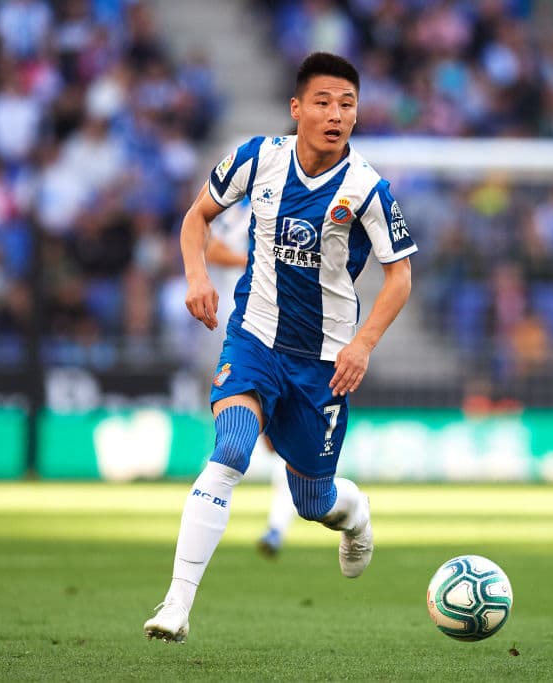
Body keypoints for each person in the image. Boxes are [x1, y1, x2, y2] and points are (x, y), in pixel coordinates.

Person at [143, 52, 417, 643]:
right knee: (232, 449)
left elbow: (400, 276)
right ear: (297, 108)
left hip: (323, 363)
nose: (335, 114)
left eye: (347, 104)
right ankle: (176, 605)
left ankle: (356, 515)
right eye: (323, 102)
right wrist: (196, 276)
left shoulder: (367, 188)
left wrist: (364, 344)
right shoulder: (257, 158)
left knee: (313, 501)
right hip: (255, 339)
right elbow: (197, 218)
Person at [204, 196, 297, 558]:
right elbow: (212, 248)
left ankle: (276, 526)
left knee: (281, 440)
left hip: (290, 335)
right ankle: (211, 512)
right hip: (244, 334)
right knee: (249, 435)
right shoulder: (249, 204)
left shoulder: (312, 203)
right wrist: (259, 263)